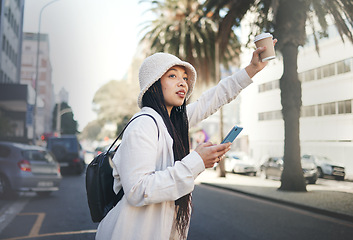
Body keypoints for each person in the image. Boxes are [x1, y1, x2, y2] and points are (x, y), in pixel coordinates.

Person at [96, 40, 277, 240]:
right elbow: (139, 190)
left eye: (184, 77)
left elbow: (212, 99)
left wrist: (252, 69)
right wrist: (197, 161)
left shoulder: (171, 122)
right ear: (153, 84)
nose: (183, 82)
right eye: (172, 75)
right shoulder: (143, 124)